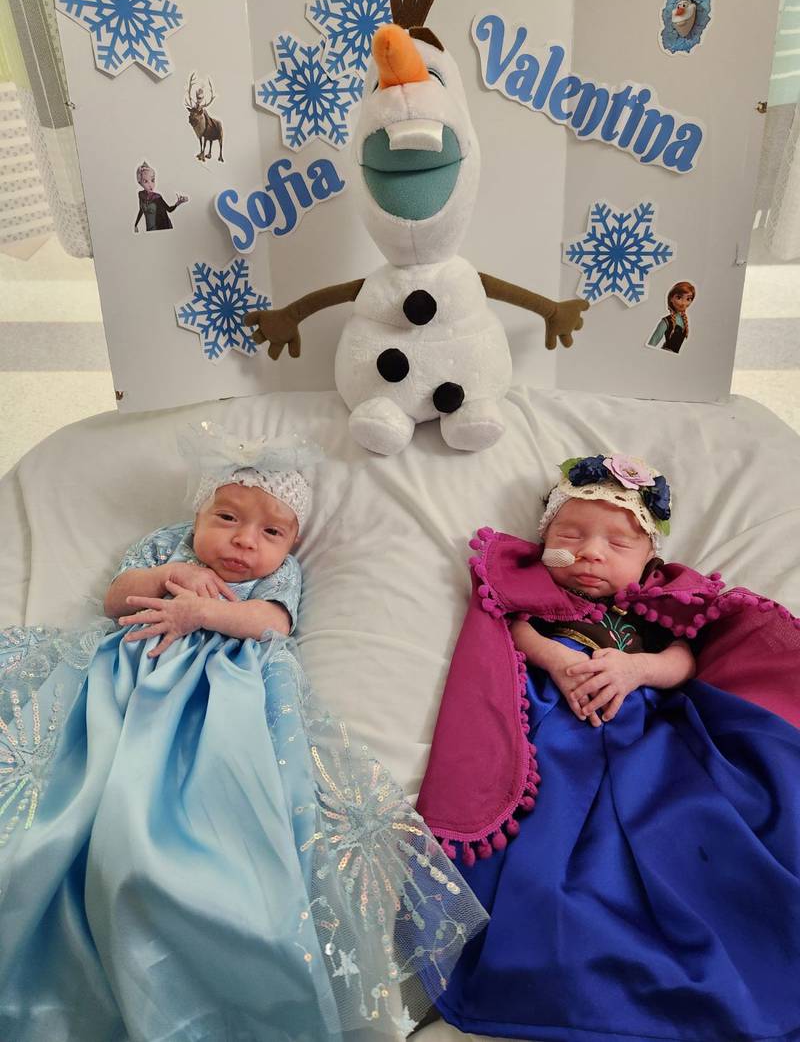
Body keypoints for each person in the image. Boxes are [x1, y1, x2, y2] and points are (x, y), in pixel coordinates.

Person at [0, 422, 486, 1042]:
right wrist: (162, 583)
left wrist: (202, 611)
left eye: (270, 531)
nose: (242, 540)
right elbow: (117, 597)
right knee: (66, 786)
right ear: (198, 514)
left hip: (220, 694)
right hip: (121, 676)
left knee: (224, 810)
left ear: (292, 543)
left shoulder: (277, 578)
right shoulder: (168, 547)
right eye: (226, 517)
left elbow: (269, 624)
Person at [418, 453, 800, 1041]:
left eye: (618, 543)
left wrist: (638, 669)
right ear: (545, 541)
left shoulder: (652, 608)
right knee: (553, 840)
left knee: (695, 817)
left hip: (651, 730)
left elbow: (683, 659)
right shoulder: (534, 597)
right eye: (571, 535)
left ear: (650, 559)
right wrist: (557, 658)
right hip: (559, 728)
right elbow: (515, 628)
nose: (592, 551)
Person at [133, 160, 188, 232]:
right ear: (140, 182)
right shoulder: (141, 195)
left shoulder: (157, 197)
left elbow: (169, 210)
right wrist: (136, 224)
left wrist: (178, 203)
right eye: (145, 181)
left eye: (152, 180)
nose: (150, 185)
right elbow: (141, 210)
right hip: (149, 230)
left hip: (161, 228)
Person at [646, 280, 695, 354]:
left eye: (688, 299)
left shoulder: (684, 321)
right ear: (671, 298)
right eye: (679, 297)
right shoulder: (666, 321)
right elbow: (652, 343)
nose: (683, 303)